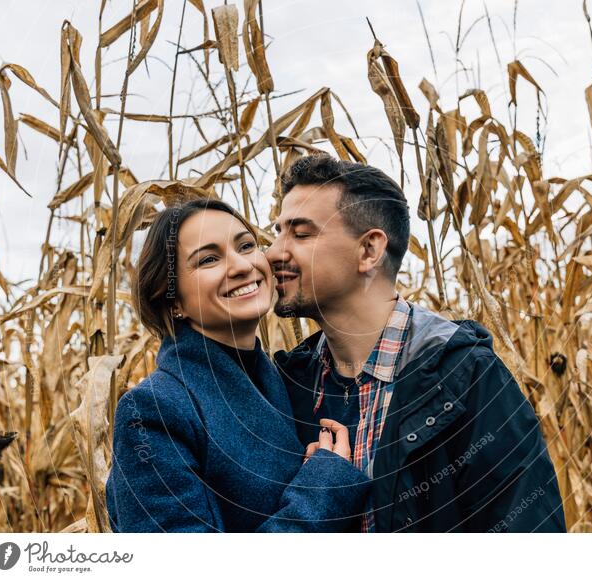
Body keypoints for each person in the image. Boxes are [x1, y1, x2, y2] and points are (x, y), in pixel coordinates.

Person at [268, 154, 567, 532]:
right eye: (277, 232)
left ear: (369, 251)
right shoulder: (289, 384)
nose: (274, 252)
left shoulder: (466, 378)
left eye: (301, 233)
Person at [106, 198, 370, 532]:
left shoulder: (292, 381)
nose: (241, 266)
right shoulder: (153, 410)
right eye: (209, 259)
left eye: (246, 246)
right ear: (173, 300)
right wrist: (323, 490)